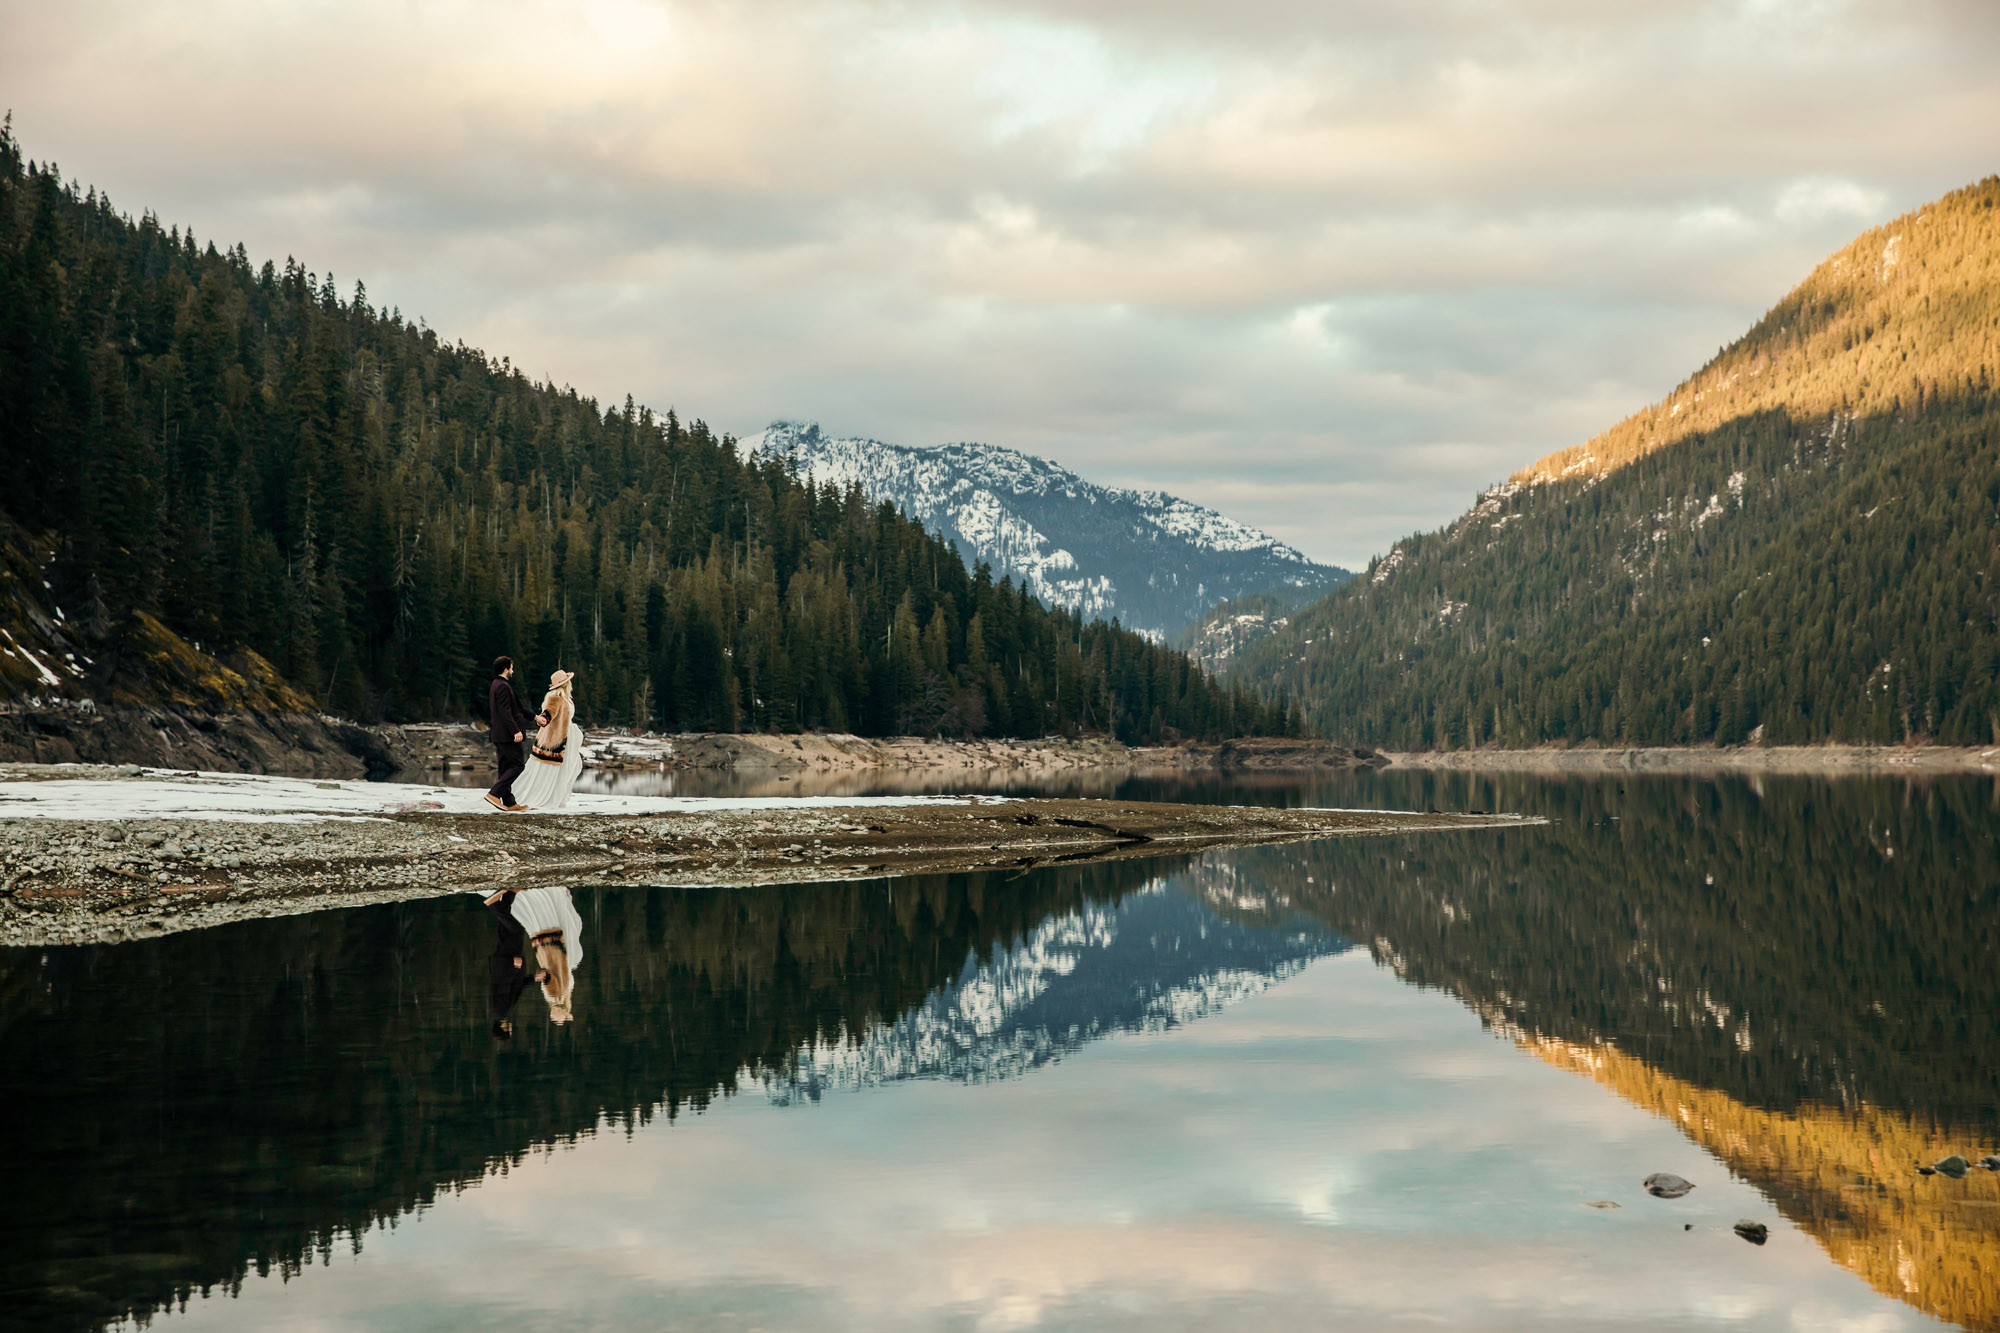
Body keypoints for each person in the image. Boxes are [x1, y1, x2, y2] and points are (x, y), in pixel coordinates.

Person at [508, 886, 584, 1024]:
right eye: (554, 1014)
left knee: (549, 914)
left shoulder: (568, 989)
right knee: (536, 914)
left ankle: (556, 894)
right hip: (547, 950)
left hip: (556, 948)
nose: (551, 1013)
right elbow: (547, 976)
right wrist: (539, 977)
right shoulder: (554, 995)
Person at [513, 669, 583, 810]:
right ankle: (547, 797)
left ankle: (556, 796)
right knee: (550, 769)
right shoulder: (555, 698)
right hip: (557, 739)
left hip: (566, 737)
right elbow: (549, 712)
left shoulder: (565, 699)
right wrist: (543, 718)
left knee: (572, 766)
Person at [486, 656, 547, 813]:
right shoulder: (502, 687)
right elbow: (505, 712)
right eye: (511, 668)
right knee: (518, 764)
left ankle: (509, 802)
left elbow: (517, 708)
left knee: (505, 767)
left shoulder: (498, 685)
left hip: (500, 733)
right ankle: (494, 793)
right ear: (506, 669)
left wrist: (535, 717)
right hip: (507, 734)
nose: (513, 671)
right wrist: (515, 731)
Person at [484, 889, 532, 1039]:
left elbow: (504, 985)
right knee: (506, 930)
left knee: (516, 932)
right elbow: (517, 987)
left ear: (504, 1029)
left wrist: (514, 967)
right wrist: (534, 979)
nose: (512, 1028)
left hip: (506, 963)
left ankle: (492, 905)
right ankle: (509, 894)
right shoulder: (496, 1012)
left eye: (510, 1031)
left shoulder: (501, 1011)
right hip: (500, 962)